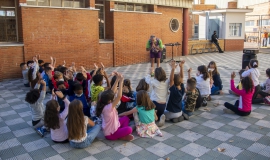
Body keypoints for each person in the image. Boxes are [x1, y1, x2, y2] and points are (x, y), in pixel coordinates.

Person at [96, 74, 134, 141]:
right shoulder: (108, 107)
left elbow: (112, 92)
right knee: (129, 129)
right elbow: (119, 96)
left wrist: (117, 79)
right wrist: (121, 81)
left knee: (125, 118)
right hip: (111, 134)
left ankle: (122, 134)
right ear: (110, 100)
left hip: (115, 126)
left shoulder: (103, 103)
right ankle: (121, 135)